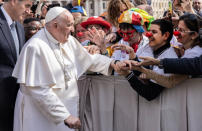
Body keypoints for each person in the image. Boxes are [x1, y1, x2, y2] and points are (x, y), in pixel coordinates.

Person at [12, 7, 117, 131]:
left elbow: (89, 60)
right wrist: (64, 115)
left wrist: (113, 63)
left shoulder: (68, 41)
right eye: (69, 25)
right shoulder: (35, 47)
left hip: (66, 112)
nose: (73, 29)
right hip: (40, 115)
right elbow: (38, 90)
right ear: (56, 25)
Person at [0, 0, 32, 131]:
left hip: (14, 101)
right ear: (13, 1)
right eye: (27, 6)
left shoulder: (19, 26)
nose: (29, 11)